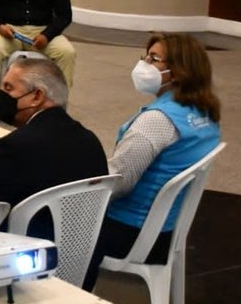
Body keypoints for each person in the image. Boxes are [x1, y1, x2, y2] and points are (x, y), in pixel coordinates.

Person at [86, 33, 222, 290]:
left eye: (154, 59)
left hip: (132, 234)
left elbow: (118, 183)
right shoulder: (206, 115)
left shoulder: (158, 120)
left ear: (179, 71)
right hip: (168, 231)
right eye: (145, 56)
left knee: (52, 220)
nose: (144, 64)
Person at [0, 57, 107, 252]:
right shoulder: (90, 141)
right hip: (80, 262)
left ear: (37, 96)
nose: (1, 95)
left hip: (22, 262)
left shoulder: (12, 147)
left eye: (8, 88)